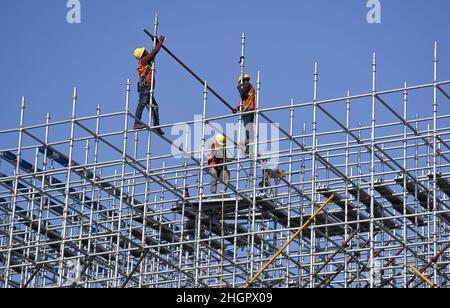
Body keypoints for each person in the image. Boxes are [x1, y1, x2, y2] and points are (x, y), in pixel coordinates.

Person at [133, 35, 166, 135]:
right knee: (142, 104)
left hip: (146, 88)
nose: (147, 51)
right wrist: (160, 42)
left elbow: (153, 52)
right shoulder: (143, 61)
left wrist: (156, 43)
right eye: (145, 52)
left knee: (155, 107)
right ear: (143, 55)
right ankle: (137, 122)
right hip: (145, 87)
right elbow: (154, 52)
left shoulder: (145, 61)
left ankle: (156, 126)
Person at [233, 74, 255, 157]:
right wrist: (237, 109)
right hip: (247, 109)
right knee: (249, 130)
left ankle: (249, 148)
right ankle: (248, 149)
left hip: (248, 110)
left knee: (249, 130)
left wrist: (239, 86)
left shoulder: (247, 85)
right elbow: (245, 100)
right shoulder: (249, 88)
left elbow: (242, 93)